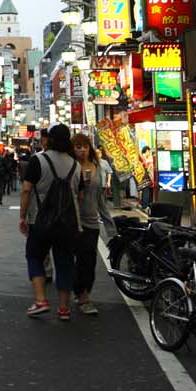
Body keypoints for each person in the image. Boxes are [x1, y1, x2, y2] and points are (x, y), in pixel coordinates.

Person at [19, 123, 80, 321]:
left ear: (50, 140)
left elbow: (27, 189)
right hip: (68, 224)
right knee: (65, 263)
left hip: (41, 221)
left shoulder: (38, 160)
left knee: (35, 256)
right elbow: (78, 194)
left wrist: (23, 216)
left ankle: (40, 300)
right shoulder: (76, 165)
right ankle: (63, 308)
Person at [71, 133, 117, 315]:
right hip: (73, 221)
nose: (82, 150)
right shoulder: (71, 168)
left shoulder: (97, 167)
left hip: (91, 222)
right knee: (76, 260)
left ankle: (84, 293)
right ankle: (79, 293)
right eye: (78, 146)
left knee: (88, 260)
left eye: (85, 146)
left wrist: (109, 224)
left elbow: (100, 199)